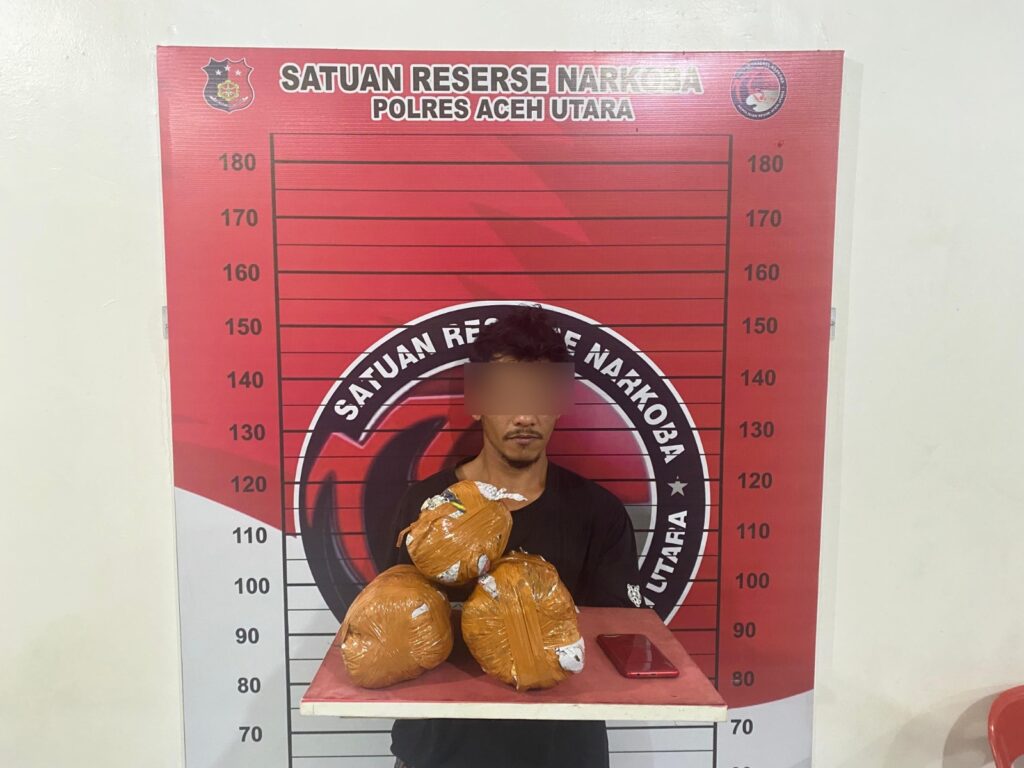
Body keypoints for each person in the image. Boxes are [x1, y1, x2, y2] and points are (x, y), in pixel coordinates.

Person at [385, 305, 643, 768]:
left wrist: (530, 617)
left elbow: (620, 640)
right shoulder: (426, 505)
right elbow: (399, 628)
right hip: (441, 751)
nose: (524, 415)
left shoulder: (599, 513)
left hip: (561, 754)